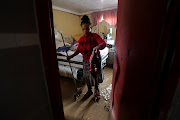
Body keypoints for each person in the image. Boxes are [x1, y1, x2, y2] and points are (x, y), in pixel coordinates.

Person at [67, 15, 106, 100]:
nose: (86, 31)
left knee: (95, 76)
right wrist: (71, 56)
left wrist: (97, 47)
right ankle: (89, 91)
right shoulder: (81, 39)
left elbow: (103, 44)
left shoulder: (95, 36)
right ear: (82, 29)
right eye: (84, 29)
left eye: (88, 28)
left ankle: (96, 90)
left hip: (95, 61)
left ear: (91, 28)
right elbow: (78, 50)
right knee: (86, 77)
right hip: (86, 61)